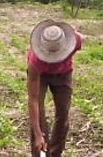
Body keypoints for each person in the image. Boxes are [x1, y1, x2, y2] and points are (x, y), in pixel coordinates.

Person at [27, 19, 82, 157]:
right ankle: (40, 153)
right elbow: (33, 100)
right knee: (39, 115)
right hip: (42, 75)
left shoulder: (75, 41)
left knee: (63, 114)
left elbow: (80, 36)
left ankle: (54, 153)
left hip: (64, 73)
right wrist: (39, 135)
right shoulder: (35, 61)